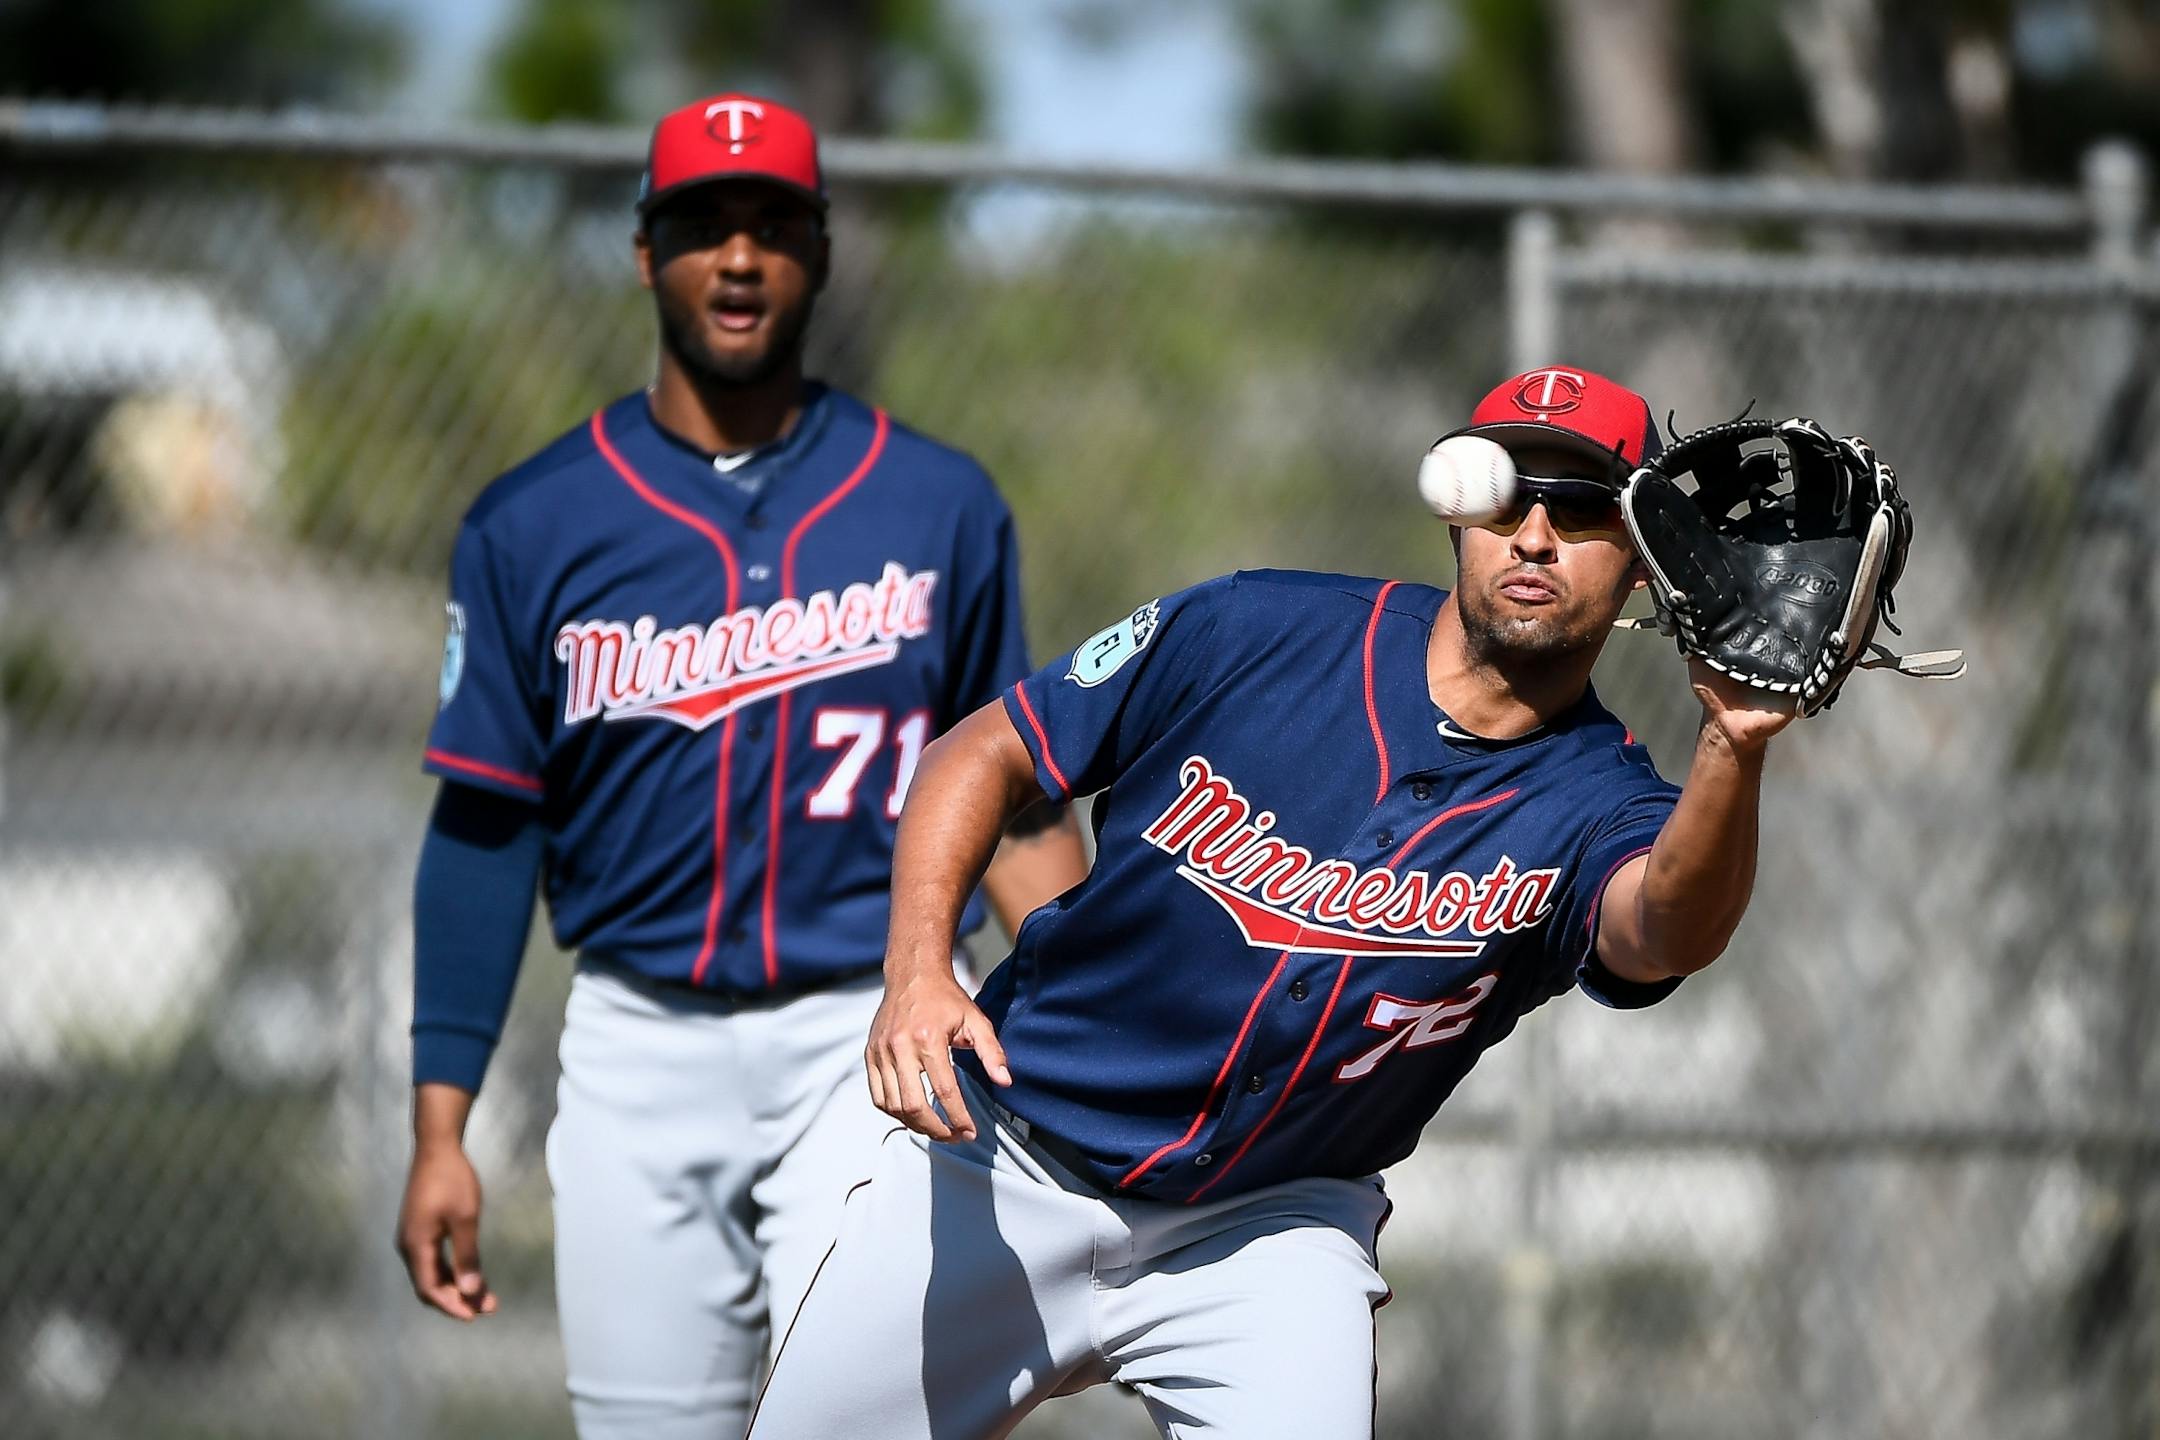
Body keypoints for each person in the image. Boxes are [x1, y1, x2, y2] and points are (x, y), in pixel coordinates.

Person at [746, 365, 1789, 1439]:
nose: (1532, 533)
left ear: (1641, 561)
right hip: (1010, 1152)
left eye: (1579, 508)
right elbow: (987, 750)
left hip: (1270, 1229)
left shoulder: (1601, 798)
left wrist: (1734, 746)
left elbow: (1663, 931)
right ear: (1456, 513)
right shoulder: (1253, 630)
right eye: (1502, 492)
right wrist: (919, 970)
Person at [393, 93, 1089, 1439]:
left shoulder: (936, 503)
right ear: (645, 252)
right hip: (633, 1044)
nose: (739, 257)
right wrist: (440, 1133)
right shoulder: (535, 521)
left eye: (773, 226)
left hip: (864, 1032)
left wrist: (1092, 1016)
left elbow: (1014, 797)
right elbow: (482, 831)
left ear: (818, 254)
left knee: (858, 1420)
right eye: (703, 226)